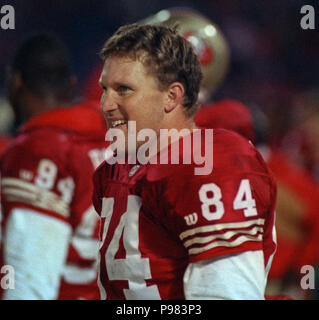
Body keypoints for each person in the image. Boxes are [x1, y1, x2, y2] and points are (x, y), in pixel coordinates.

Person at [92, 23, 277, 300]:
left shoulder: (211, 165)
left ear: (172, 96)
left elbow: (225, 295)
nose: (106, 104)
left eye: (124, 89)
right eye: (105, 88)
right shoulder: (118, 169)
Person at [0, 33, 107, 299]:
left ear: (15, 83)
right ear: (72, 85)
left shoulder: (37, 150)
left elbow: (30, 280)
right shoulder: (116, 142)